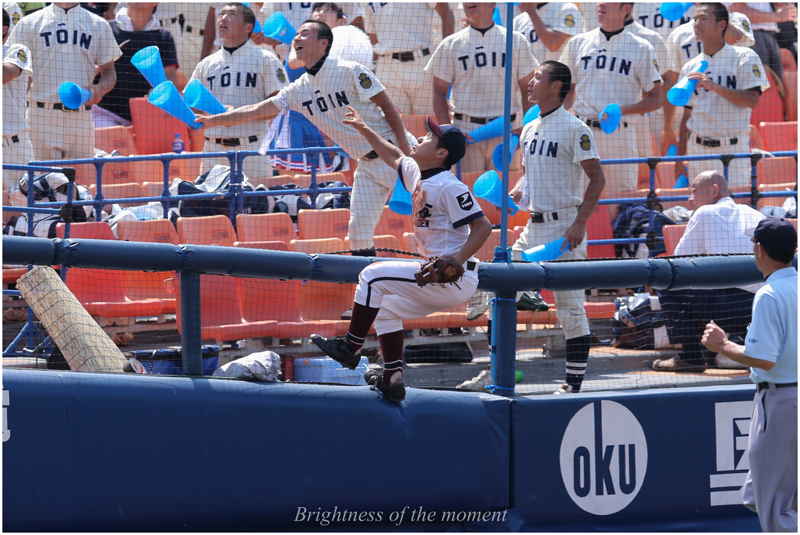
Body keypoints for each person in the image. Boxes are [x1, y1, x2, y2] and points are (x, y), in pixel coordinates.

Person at [310, 108, 492, 403]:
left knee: (371, 276)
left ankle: (351, 346)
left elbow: (483, 226)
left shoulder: (450, 185)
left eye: (430, 137)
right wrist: (364, 128)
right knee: (384, 308)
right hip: (434, 276)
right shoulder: (419, 175)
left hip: (455, 276)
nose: (421, 137)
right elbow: (394, 155)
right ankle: (392, 377)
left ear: (441, 153)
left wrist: (456, 259)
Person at [197, 19, 412, 253]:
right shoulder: (298, 88)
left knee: (431, 215)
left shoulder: (349, 70)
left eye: (304, 34)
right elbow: (257, 110)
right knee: (358, 231)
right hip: (366, 165)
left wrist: (406, 153)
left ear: (323, 44)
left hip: (395, 154)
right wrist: (213, 120)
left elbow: (389, 107)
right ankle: (367, 284)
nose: (296, 38)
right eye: (296, 34)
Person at [462, 61, 606, 395]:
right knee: (497, 288)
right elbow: (529, 177)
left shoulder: (575, 128)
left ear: (557, 86)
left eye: (539, 78)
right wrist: (514, 195)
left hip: (566, 227)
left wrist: (580, 224)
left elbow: (597, 178)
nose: (531, 83)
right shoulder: (529, 127)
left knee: (570, 310)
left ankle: (572, 384)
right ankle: (495, 371)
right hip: (534, 225)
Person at [701, 216, 797, 533]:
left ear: (760, 250)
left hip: (782, 401)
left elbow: (762, 359)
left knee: (775, 510)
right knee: (760, 495)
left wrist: (723, 344)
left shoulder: (769, 295)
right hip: (783, 399)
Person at [652, 170, 765, 372]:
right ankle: (744, 349)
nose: (690, 197)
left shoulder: (704, 212)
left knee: (666, 283)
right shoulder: (756, 214)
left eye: (694, 191)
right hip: (764, 310)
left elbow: (677, 265)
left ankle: (691, 357)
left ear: (714, 191)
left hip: (732, 310)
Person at [559, 3, 662, 204]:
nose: (601, 4)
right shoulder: (578, 42)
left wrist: (623, 110)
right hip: (582, 132)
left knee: (621, 201)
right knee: (576, 200)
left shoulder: (642, 47)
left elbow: (657, 98)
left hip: (620, 134)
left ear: (626, 9)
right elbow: (568, 89)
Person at [425, 2, 538, 174]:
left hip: (506, 132)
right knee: (470, 195)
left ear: (493, 3)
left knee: (504, 196)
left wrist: (526, 128)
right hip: (467, 134)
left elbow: (528, 90)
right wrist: (450, 134)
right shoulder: (451, 44)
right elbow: (439, 94)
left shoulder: (515, 40)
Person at [6, 2, 121, 162]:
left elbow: (109, 71)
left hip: (81, 116)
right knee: (42, 182)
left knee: (82, 184)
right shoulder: (29, 23)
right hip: (40, 115)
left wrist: (100, 89)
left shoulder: (98, 24)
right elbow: (9, 66)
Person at [674, 3, 769, 190]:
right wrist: (679, 157)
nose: (697, 24)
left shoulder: (744, 57)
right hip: (698, 151)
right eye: (695, 19)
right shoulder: (690, 66)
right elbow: (687, 116)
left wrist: (713, 86)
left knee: (736, 209)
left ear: (721, 25)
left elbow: (752, 100)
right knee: (701, 211)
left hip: (732, 151)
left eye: (704, 19)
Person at [189, 3, 286, 181]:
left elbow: (278, 105)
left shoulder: (266, 59)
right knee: (211, 207)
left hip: (251, 149)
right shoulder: (205, 64)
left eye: (232, 14)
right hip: (213, 151)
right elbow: (191, 104)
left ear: (248, 27)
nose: (223, 18)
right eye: (221, 14)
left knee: (256, 206)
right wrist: (194, 115)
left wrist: (237, 114)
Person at [663, 11, 756, 153]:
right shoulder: (679, 33)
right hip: (694, 107)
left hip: (729, 111)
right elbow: (671, 79)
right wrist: (668, 126)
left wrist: (716, 17)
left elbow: (736, 37)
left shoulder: (736, 18)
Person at [93, 2, 180, 128]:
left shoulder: (164, 37)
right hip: (104, 114)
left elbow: (170, 76)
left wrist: (160, 90)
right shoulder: (106, 29)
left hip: (147, 118)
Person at [365, 2, 454, 116]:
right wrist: (373, 72)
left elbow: (445, 10)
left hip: (423, 62)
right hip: (387, 66)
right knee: (392, 125)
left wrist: (445, 56)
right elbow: (373, 37)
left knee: (430, 124)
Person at [3, 7, 33, 208]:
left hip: (13, 146)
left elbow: (5, 73)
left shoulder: (17, 50)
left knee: (23, 207)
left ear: (3, 29)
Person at [728, 2, 797, 85]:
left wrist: (779, 7)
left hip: (770, 37)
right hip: (755, 38)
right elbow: (737, 9)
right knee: (759, 87)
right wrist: (778, 16)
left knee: (775, 90)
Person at [514, 2, 584, 64]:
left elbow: (553, 45)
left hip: (558, 75)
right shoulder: (519, 20)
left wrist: (531, 11)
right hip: (529, 76)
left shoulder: (567, 8)